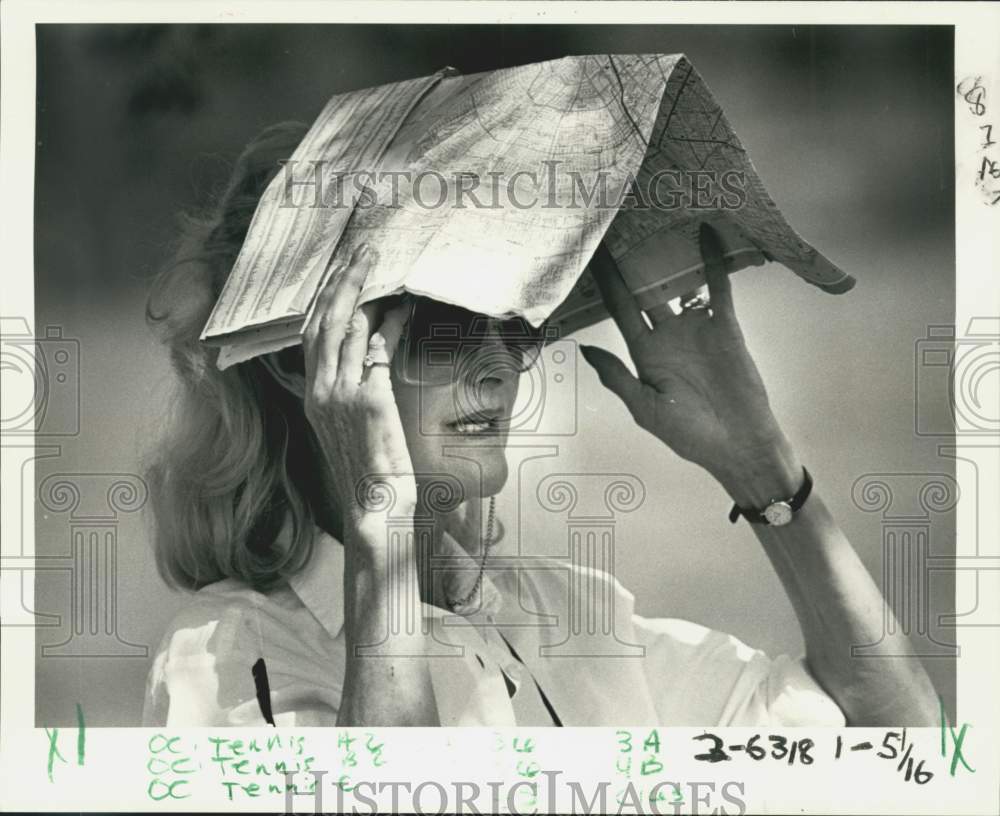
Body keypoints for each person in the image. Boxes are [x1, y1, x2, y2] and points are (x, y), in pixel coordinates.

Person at [142, 122, 939, 727]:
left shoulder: (576, 615)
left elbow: (895, 746)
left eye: (516, 321)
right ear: (295, 361)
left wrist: (763, 466)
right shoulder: (220, 657)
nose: (500, 361)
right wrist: (380, 521)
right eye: (446, 321)